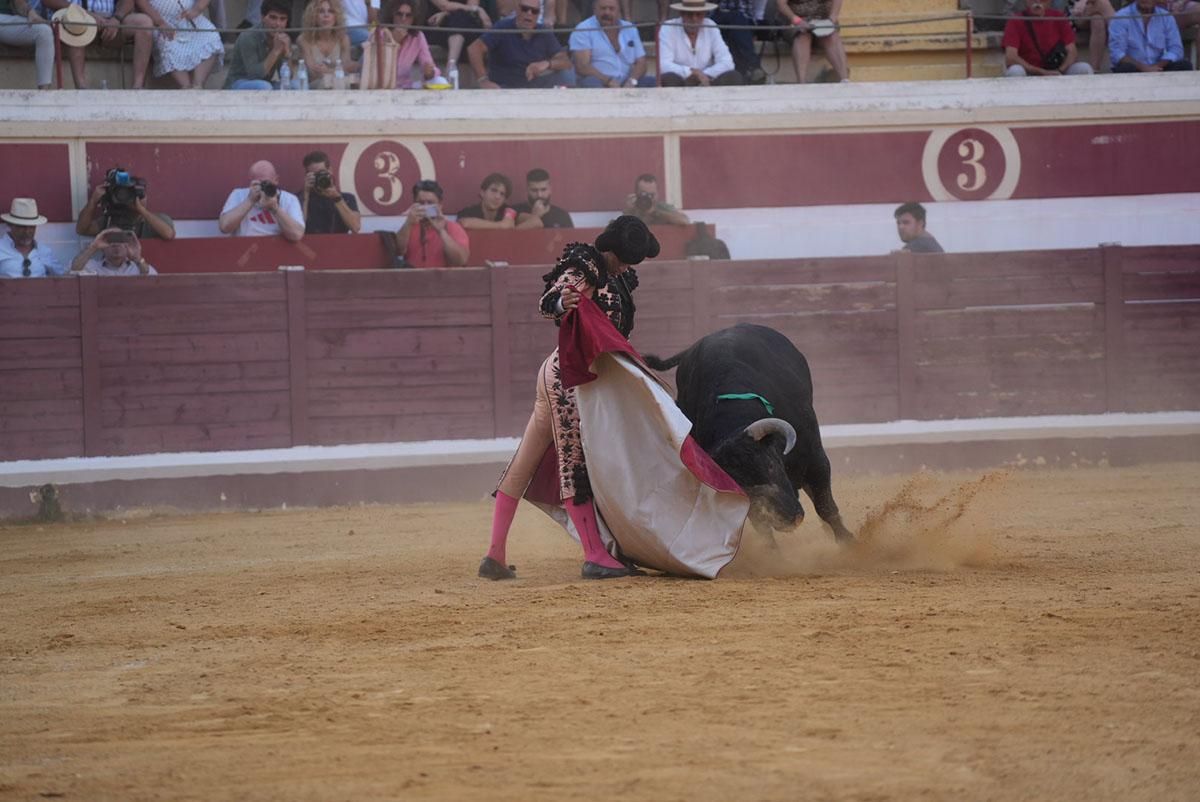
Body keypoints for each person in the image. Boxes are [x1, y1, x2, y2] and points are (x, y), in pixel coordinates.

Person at [480, 215, 661, 581]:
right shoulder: (586, 265)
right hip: (568, 378)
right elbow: (548, 302)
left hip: (578, 377)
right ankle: (594, 554)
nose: (627, 266)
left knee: (525, 461)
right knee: (574, 463)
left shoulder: (620, 276)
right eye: (624, 258)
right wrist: (562, 302)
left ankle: (494, 556)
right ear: (609, 248)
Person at [43, 0, 155, 89]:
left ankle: (138, 87)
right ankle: (81, 87)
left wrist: (116, 19)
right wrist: (87, 15)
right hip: (77, 19)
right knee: (76, 24)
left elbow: (128, 2)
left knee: (144, 22)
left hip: (110, 22)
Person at [467, 0, 574, 88]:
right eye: (525, 9)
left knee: (568, 74)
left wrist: (547, 64)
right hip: (505, 87)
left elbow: (565, 61)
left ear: (538, 15)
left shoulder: (543, 32)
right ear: (517, 9)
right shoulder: (503, 27)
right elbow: (474, 49)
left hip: (536, 87)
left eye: (534, 11)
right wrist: (483, 80)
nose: (529, 14)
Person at [137, 0, 224, 88]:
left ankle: (198, 86)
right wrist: (160, 22)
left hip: (191, 18)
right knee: (166, 44)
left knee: (211, 36)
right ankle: (186, 87)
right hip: (163, 23)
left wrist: (196, 10)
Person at [569, 0, 655, 88]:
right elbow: (582, 66)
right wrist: (608, 81)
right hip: (600, 81)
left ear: (619, 11)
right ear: (594, 10)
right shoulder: (583, 29)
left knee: (651, 82)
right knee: (591, 82)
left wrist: (632, 81)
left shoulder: (630, 28)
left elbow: (641, 62)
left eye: (611, 9)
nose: (607, 12)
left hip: (627, 82)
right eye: (603, 8)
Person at [657, 0, 744, 86]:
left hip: (708, 81)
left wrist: (703, 74)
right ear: (682, 14)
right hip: (682, 81)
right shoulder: (668, 27)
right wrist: (690, 72)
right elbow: (662, 65)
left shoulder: (711, 26)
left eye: (698, 14)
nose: (694, 19)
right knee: (669, 79)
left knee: (734, 77)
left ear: (704, 14)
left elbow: (727, 62)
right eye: (690, 14)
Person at [77, 167, 176, 241]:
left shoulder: (159, 220)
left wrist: (141, 210)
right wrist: (93, 201)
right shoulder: (110, 220)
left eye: (140, 195)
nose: (134, 199)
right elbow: (82, 229)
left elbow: (169, 234)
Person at [219, 160, 305, 241]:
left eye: (267, 183)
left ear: (276, 180)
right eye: (258, 183)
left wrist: (275, 209)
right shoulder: (238, 195)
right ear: (251, 182)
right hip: (245, 247)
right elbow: (224, 227)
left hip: (277, 250)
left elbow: (296, 235)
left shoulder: (289, 199)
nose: (263, 188)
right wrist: (250, 200)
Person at [1002, 0, 1094, 76]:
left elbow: (1072, 52)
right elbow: (1011, 57)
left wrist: (1060, 70)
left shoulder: (1059, 17)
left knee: (1084, 68)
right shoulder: (1015, 20)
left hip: (1057, 70)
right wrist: (1041, 72)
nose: (1037, 1)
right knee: (1015, 71)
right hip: (1029, 72)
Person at [394, 179, 470, 268]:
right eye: (421, 203)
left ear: (440, 206)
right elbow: (398, 251)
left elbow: (460, 261)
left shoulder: (454, 228)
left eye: (430, 203)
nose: (425, 207)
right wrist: (408, 223)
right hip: (413, 279)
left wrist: (441, 231)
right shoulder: (409, 225)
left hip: (444, 280)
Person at [223, 0, 292, 90]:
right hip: (238, 83)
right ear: (262, 17)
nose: (278, 24)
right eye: (273, 18)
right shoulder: (248, 36)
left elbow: (286, 78)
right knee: (264, 86)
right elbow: (255, 75)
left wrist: (286, 54)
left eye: (282, 19)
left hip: (265, 83)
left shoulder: (283, 38)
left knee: (296, 85)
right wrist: (275, 51)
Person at [1109, 0, 1193, 72]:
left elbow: (1176, 49)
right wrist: (1144, 68)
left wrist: (1157, 66)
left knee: (1185, 65)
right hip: (1134, 67)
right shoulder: (1121, 16)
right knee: (1125, 68)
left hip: (1159, 68)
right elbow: (1117, 53)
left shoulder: (1166, 17)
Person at [776, 0, 849, 83]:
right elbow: (781, 4)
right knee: (803, 36)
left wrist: (832, 18)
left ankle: (844, 79)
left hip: (823, 19)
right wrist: (797, 20)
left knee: (831, 36)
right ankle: (802, 81)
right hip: (795, 20)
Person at [299, 0, 361, 88]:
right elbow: (313, 74)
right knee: (331, 83)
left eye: (331, 11)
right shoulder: (304, 39)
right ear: (313, 16)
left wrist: (327, 70)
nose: (326, 15)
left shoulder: (343, 38)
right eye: (321, 11)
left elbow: (347, 67)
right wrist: (336, 70)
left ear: (336, 17)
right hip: (313, 86)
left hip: (338, 82)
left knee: (355, 81)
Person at [381, 0, 441, 88]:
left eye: (408, 15)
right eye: (399, 14)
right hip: (382, 86)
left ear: (413, 19)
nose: (403, 19)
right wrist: (393, 43)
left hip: (405, 87)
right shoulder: (380, 34)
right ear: (392, 16)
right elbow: (377, 67)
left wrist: (429, 72)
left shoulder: (418, 36)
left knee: (440, 81)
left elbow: (429, 64)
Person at [0, 199, 66, 278]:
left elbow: (63, 277)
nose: (27, 232)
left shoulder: (44, 251)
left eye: (32, 227)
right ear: (10, 225)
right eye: (22, 227)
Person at [300, 151, 361, 235]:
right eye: (315, 174)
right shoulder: (300, 198)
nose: (319, 177)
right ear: (308, 175)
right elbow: (299, 228)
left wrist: (337, 198)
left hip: (340, 246)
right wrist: (306, 193)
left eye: (322, 172)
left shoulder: (347, 198)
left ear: (330, 170)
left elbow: (355, 227)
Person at [426, 0, 491, 78]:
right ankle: (451, 69)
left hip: (464, 27)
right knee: (460, 17)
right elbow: (444, 6)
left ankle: (451, 67)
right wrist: (478, 9)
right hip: (438, 28)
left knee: (460, 17)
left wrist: (445, 13)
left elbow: (472, 8)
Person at [0, 0, 56, 89]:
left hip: (6, 19)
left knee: (44, 31)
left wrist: (30, 12)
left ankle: (44, 95)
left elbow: (19, 2)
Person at [711, 0, 766, 83]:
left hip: (745, 22)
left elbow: (759, 9)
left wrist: (758, 30)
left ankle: (740, 74)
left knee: (736, 26)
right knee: (736, 17)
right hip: (718, 18)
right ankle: (753, 66)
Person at [70, 228, 157, 276]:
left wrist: (137, 258)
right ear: (102, 248)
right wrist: (93, 247)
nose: (116, 244)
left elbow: (154, 279)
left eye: (119, 239)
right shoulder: (92, 267)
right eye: (111, 239)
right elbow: (73, 270)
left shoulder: (138, 268)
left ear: (127, 245)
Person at [455, 173, 519, 230]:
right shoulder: (469, 211)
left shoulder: (508, 212)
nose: (497, 197)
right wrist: (501, 225)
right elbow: (464, 223)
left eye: (502, 194)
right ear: (482, 193)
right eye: (494, 190)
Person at [623, 174, 690, 226]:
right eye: (644, 194)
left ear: (657, 194)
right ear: (636, 193)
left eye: (651, 195)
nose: (648, 198)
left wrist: (655, 213)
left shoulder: (663, 207)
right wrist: (628, 211)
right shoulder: (633, 208)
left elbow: (684, 221)